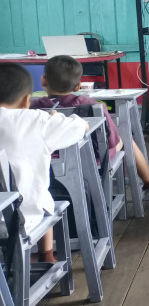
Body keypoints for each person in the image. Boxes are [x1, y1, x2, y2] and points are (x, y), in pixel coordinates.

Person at [30, 55, 149, 196]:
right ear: (78, 86)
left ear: (43, 80)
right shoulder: (92, 105)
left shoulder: (32, 106)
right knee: (125, 139)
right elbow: (112, 141)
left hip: (45, 158)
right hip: (90, 158)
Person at [0, 63, 88, 264]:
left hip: (11, 217)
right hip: (21, 220)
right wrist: (56, 118)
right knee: (44, 197)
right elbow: (79, 127)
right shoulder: (36, 120)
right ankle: (46, 255)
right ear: (26, 101)